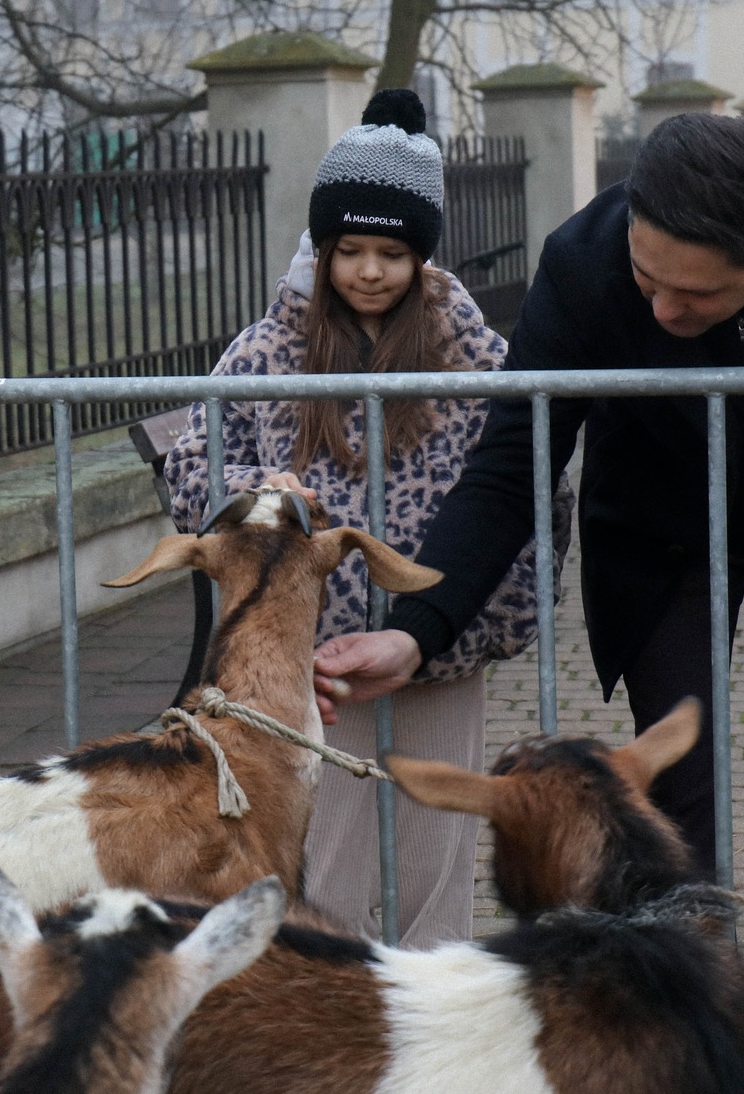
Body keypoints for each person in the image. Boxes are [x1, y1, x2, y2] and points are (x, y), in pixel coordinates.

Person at [315, 112, 744, 1094]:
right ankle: (687, 1046)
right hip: (661, 531)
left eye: (696, 294)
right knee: (673, 790)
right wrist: (415, 629)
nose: (662, 307)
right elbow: (511, 461)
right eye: (647, 276)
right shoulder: (583, 261)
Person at [163, 88, 570, 947]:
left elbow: (527, 488)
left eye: (392, 251)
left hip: (439, 651)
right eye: (348, 250)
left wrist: (479, 615)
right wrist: (256, 491)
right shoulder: (265, 352)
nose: (370, 271)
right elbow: (194, 467)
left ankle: (428, 1017)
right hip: (312, 664)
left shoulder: (475, 358)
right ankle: (332, 1008)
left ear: (423, 254)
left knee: (433, 866)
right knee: (330, 870)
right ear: (320, 249)